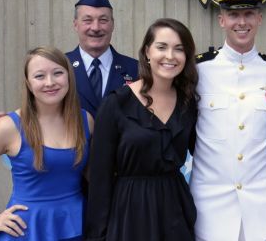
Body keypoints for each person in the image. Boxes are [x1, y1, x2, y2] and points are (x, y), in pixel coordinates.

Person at [0, 46, 94, 240]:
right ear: (28, 83)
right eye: (39, 76)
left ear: (69, 76)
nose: (50, 82)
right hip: (26, 230)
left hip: (76, 225)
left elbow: (94, 174)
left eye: (58, 73)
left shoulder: (85, 121)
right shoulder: (8, 127)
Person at [190, 0, 266, 241]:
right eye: (233, 14)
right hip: (211, 210)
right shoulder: (199, 70)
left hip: (262, 211)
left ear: (259, 18)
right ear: (221, 20)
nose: (241, 22)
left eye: (248, 13)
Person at [85, 18, 198, 240]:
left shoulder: (188, 103)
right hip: (130, 211)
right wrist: (97, 235)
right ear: (147, 52)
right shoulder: (116, 103)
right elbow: (100, 178)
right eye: (161, 47)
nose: (170, 56)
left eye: (179, 49)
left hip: (174, 210)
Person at [0, 0, 138, 137]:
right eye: (87, 20)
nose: (95, 27)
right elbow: (34, 110)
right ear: (75, 24)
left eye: (103, 20)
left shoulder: (136, 70)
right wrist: (0, 123)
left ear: (112, 25)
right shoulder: (56, 68)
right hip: (72, 156)